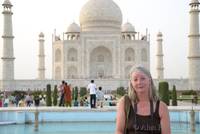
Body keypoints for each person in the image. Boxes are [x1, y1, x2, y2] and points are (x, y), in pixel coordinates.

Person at [115, 66, 171, 134]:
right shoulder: (125, 102)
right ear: (131, 83)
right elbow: (119, 131)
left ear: (149, 80)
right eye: (135, 79)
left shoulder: (161, 107)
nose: (139, 82)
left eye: (143, 78)